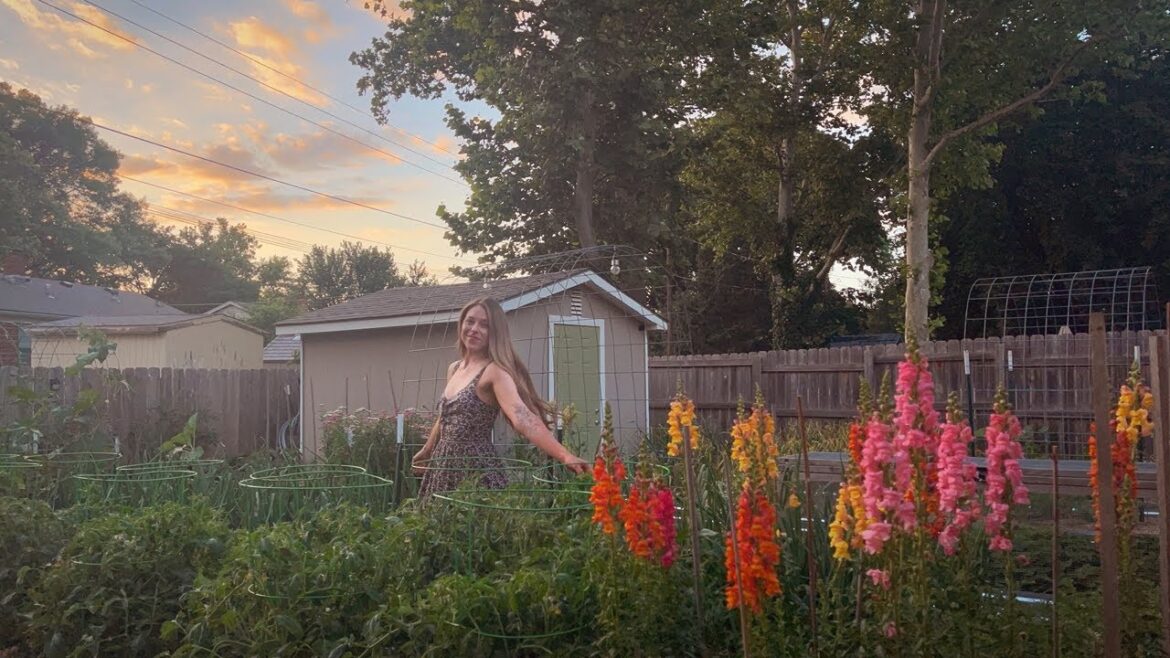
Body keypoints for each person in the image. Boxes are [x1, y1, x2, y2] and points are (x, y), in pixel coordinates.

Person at [413, 296, 589, 496]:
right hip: (443, 468)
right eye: (470, 321)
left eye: (484, 325)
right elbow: (445, 417)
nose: (474, 329)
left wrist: (564, 455)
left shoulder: (494, 372)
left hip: (476, 472)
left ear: (495, 333)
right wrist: (427, 450)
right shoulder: (454, 369)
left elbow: (521, 416)